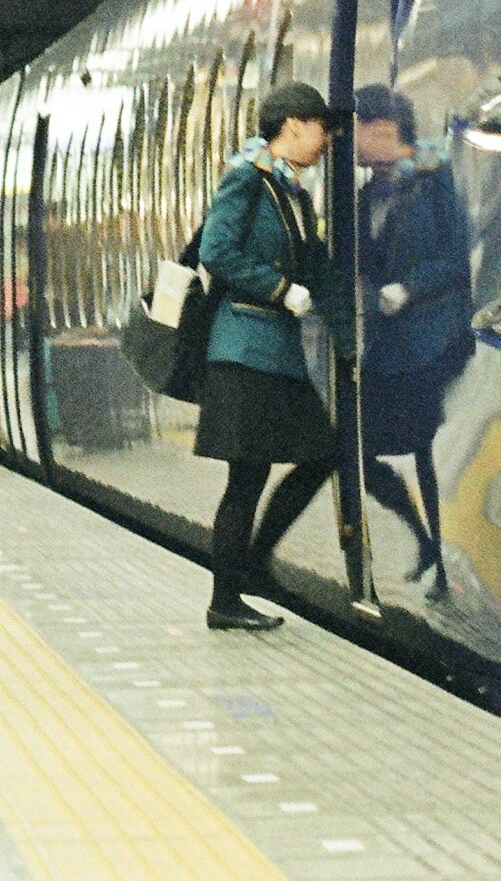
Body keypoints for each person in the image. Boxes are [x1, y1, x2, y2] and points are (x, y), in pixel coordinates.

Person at [192, 80, 355, 630]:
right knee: (247, 478)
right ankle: (227, 597)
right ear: (291, 125)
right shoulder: (247, 181)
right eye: (320, 127)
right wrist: (279, 290)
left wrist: (349, 339)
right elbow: (216, 251)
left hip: (274, 356)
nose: (327, 138)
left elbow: (318, 271)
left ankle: (252, 567)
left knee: (319, 453)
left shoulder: (294, 194)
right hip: (242, 350)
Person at [351, 84, 473, 583]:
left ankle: (440, 558)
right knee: (361, 452)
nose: (353, 143)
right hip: (388, 345)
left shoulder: (433, 180)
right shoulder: (363, 196)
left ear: (384, 131)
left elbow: (457, 258)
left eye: (358, 131)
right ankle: (423, 539)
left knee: (425, 450)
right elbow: (362, 263)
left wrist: (409, 288)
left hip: (433, 339)